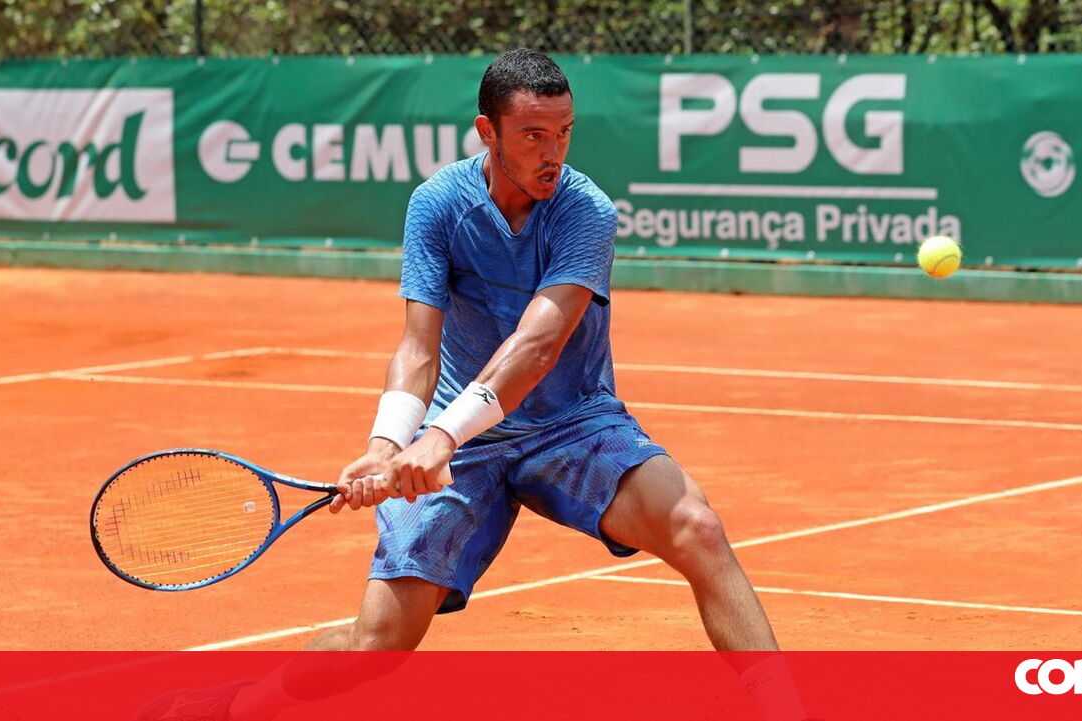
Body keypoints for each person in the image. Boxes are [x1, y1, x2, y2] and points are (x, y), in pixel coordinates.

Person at [135, 48, 805, 721]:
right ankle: (231, 707)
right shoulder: (437, 204)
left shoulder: (586, 210)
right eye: (533, 135)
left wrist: (440, 437)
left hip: (572, 424)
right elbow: (417, 345)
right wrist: (386, 444)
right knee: (378, 644)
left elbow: (537, 347)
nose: (553, 152)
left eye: (564, 133)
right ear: (488, 132)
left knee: (697, 527)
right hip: (464, 439)